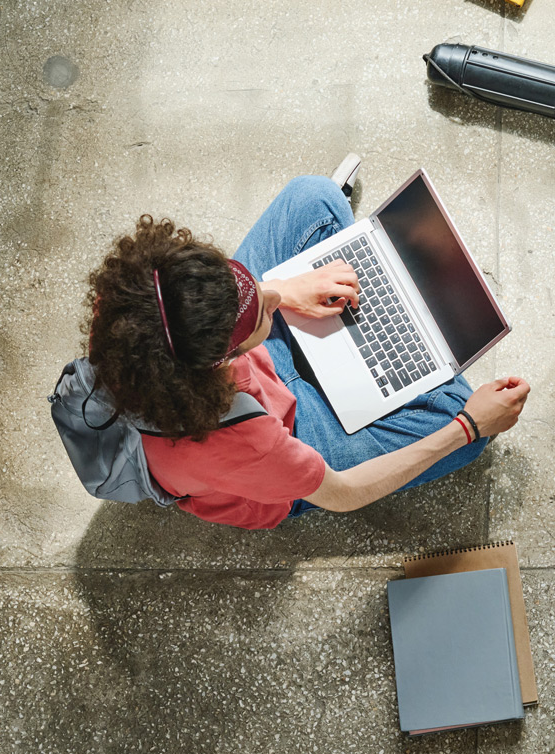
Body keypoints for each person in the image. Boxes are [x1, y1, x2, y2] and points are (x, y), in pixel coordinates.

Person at [82, 164, 531, 529]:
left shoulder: (133, 301)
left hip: (248, 379)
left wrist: (282, 288)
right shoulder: (247, 444)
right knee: (460, 427)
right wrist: (468, 426)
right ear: (222, 358)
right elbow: (344, 493)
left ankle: (362, 343)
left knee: (311, 197)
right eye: (258, 313)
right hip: (290, 433)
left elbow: (250, 300)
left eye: (243, 286)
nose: (272, 299)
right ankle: (400, 377)